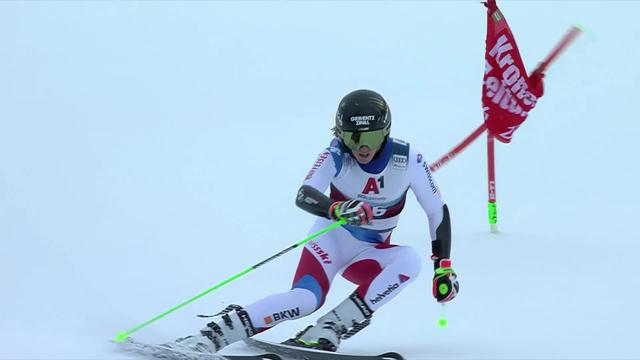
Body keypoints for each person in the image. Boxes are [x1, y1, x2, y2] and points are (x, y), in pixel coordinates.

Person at [170, 89, 459, 353]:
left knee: (409, 261)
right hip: (330, 242)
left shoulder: (407, 159)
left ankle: (329, 328)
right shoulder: (335, 154)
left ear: (386, 131)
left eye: (369, 137)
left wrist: (443, 266)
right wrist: (338, 208)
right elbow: (304, 194)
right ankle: (211, 336)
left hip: (369, 254)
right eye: (352, 137)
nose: (361, 148)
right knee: (305, 300)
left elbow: (436, 211)